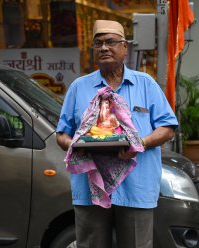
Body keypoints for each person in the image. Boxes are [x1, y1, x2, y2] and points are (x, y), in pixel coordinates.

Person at [56, 19, 178, 248]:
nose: (104, 48)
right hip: (90, 189)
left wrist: (138, 143)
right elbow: (61, 134)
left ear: (125, 47)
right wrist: (79, 145)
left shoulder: (145, 84)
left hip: (136, 186)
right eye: (98, 43)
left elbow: (168, 128)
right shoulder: (79, 87)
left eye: (111, 42)